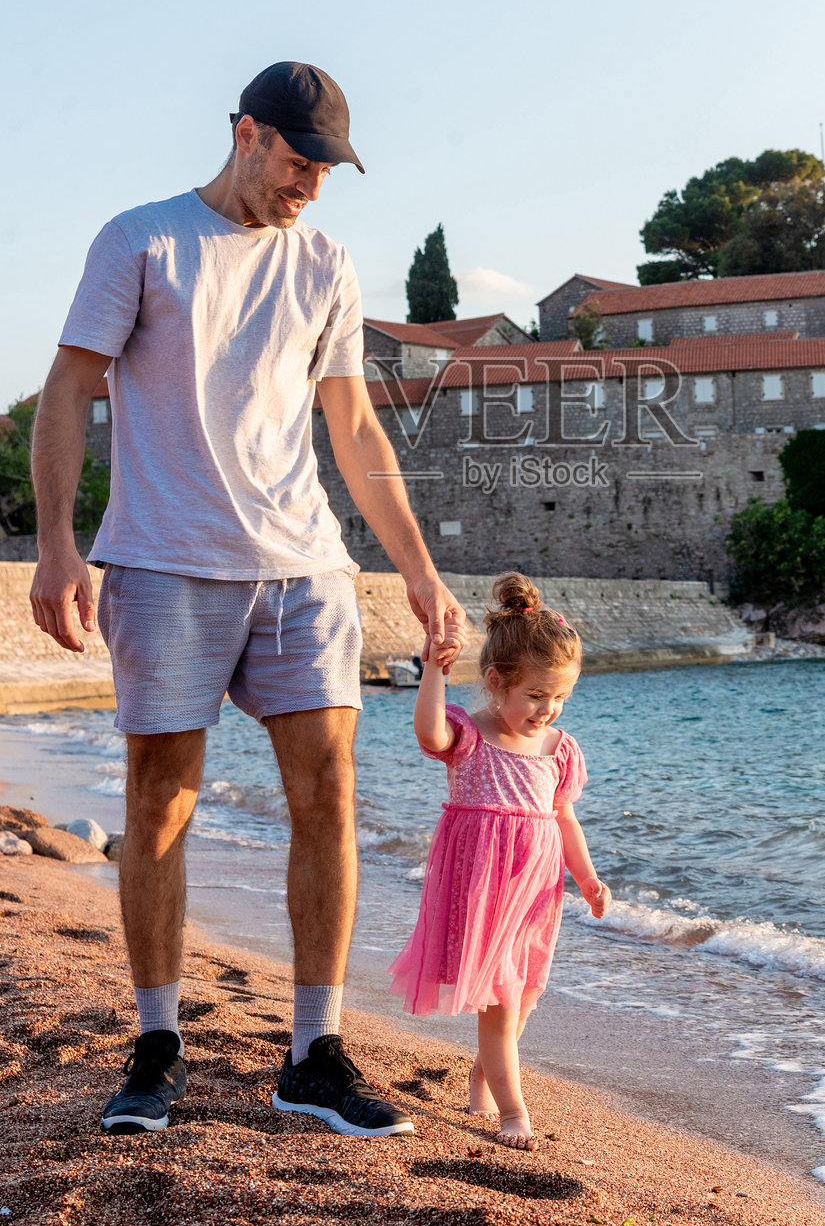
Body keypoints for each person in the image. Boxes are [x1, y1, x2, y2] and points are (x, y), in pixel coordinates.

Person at [29, 61, 466, 1140]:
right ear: (246, 133)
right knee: (160, 800)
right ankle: (157, 1040)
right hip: (164, 559)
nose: (312, 183)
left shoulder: (325, 263)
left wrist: (413, 568)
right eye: (300, 159)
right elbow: (69, 388)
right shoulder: (142, 239)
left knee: (328, 790)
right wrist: (54, 544)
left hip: (303, 564)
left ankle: (313, 1053)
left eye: (329, 168)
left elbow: (355, 430)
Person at [387, 571, 611, 1151]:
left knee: (526, 992)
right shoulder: (471, 734)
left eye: (559, 697)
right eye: (536, 696)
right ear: (496, 682)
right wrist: (433, 671)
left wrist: (586, 878)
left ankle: (485, 1071)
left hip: (536, 887)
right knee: (499, 997)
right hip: (480, 882)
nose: (548, 709)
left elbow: (563, 817)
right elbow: (429, 733)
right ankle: (513, 1111)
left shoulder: (558, 749)